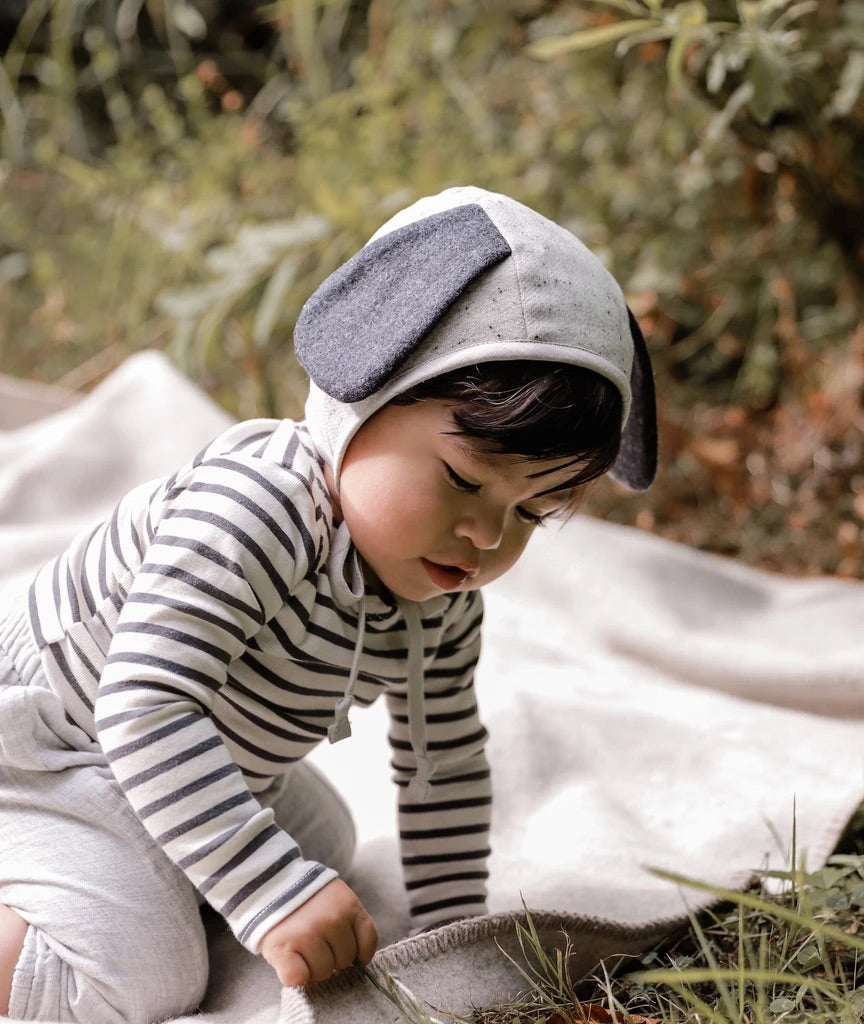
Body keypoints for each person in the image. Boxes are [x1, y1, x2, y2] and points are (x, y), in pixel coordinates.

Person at [0, 186, 657, 1023]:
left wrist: (455, 933)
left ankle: (150, 862)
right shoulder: (259, 505)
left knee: (329, 844)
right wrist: (269, 892)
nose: (486, 535)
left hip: (207, 748)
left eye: (529, 511)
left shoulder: (445, 599)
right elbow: (144, 703)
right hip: (59, 740)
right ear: (364, 396)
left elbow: (441, 763)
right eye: (462, 479)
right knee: (142, 976)